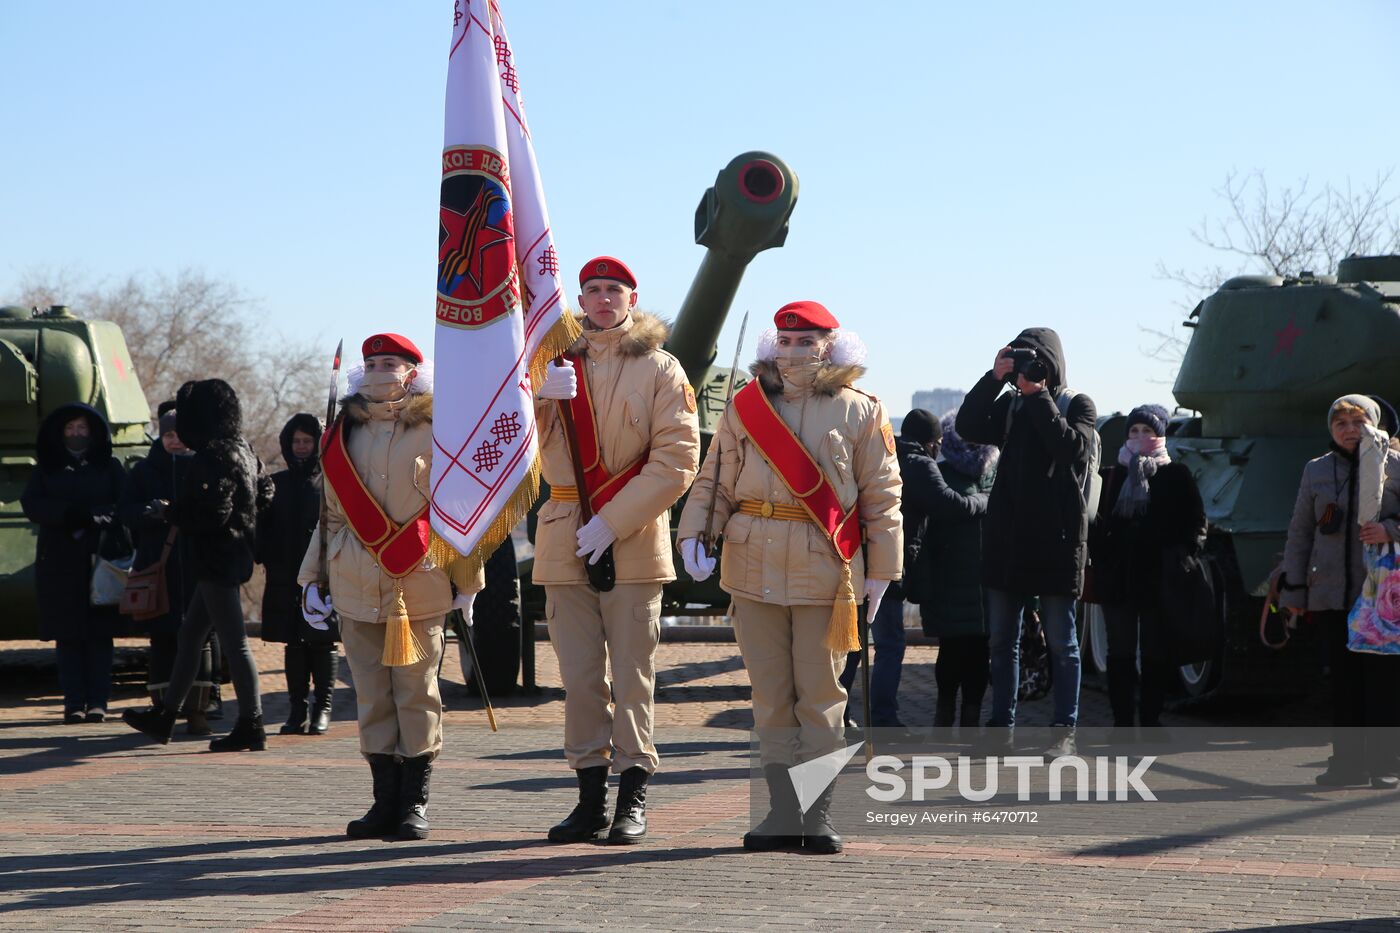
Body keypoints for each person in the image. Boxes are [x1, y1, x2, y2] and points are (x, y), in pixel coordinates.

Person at [678, 300, 902, 855]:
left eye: (806, 341)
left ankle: (818, 812)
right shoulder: (745, 407)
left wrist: (883, 570)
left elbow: (883, 495)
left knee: (822, 697)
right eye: (785, 339)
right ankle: (781, 813)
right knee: (771, 697)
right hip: (752, 564)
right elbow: (715, 480)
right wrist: (691, 533)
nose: (794, 349)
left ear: (830, 344)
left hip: (826, 571)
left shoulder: (860, 410)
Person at [533, 257, 700, 845]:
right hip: (561, 535)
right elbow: (513, 452)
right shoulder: (549, 363)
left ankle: (633, 799)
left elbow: (677, 460)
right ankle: (587, 801)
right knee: (579, 679)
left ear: (633, 298)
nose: (602, 299)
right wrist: (539, 401)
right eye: (593, 290)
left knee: (633, 678)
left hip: (631, 538)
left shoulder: (660, 368)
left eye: (614, 290)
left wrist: (612, 520)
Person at [297, 334, 484, 841]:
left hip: (419, 579)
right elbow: (331, 516)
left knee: (416, 694)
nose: (381, 371)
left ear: (412, 371)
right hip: (355, 579)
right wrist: (312, 578)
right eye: (373, 363)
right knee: (372, 696)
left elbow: (459, 513)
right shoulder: (343, 433)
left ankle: (414, 802)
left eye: (392, 363)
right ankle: (383, 801)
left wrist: (468, 584)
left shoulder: (440, 429)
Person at [956, 328, 1096, 758]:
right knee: (1002, 641)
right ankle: (1002, 732)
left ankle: (1062, 734)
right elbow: (968, 425)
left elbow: (1070, 449)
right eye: (1021, 361)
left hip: (1056, 539)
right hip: (1008, 538)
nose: (1029, 371)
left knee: (1062, 641)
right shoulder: (1010, 404)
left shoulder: (1077, 405)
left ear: (1052, 364)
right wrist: (993, 378)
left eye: (1036, 362)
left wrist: (1038, 396)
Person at [122, 379, 271, 751]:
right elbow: (266, 493)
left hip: (216, 558)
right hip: (231, 555)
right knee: (191, 635)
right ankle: (167, 715)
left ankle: (251, 723)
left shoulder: (212, 455)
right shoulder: (245, 450)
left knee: (234, 644)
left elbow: (213, 514)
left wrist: (172, 512)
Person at [838, 408, 983, 738]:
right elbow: (950, 505)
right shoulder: (919, 464)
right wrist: (984, 501)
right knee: (889, 645)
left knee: (855, 643)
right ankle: (884, 720)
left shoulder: (881, 455)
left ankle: (838, 714)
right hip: (888, 565)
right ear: (932, 442)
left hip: (858, 560)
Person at [1279, 395, 1400, 788]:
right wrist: (1293, 589)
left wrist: (1391, 529)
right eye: (1340, 424)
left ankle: (1385, 765)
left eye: (1357, 422)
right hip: (1331, 594)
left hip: (1381, 598)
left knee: (1382, 683)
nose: (1349, 431)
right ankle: (1346, 765)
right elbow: (1300, 532)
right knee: (1344, 683)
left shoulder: (1394, 465)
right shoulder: (1316, 470)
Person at [1088, 404, 1206, 736]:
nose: (1140, 438)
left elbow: (1196, 522)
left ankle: (1151, 721)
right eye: (1134, 431)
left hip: (1160, 577)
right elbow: (1096, 522)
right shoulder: (1112, 475)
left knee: (1156, 652)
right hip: (1119, 577)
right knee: (1121, 652)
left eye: (1148, 432)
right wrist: (1104, 554)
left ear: (1161, 435)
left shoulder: (1175, 475)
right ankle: (1122, 724)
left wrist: (1184, 556)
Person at [21, 403, 126, 724]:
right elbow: (32, 503)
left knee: (98, 636)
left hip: (100, 559)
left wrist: (100, 516)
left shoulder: (109, 467)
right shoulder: (47, 468)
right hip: (60, 560)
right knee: (67, 637)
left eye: (82, 429)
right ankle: (73, 703)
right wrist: (67, 514)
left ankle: (98, 702)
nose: (77, 434)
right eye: (70, 429)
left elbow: (124, 503)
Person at [119, 407, 210, 734]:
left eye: (179, 434)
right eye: (168, 434)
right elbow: (125, 511)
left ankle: (199, 711)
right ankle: (161, 709)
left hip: (197, 562)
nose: (174, 441)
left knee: (200, 640)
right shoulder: (144, 471)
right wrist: (149, 513)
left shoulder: (203, 466)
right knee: (162, 640)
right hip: (158, 567)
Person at [912, 409, 996, 733]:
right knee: (951, 652)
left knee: (979, 654)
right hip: (948, 578)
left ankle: (970, 720)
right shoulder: (940, 473)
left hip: (986, 580)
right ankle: (944, 715)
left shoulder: (993, 474)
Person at [258, 412, 335, 736]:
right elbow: (261, 527)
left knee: (322, 642)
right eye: (297, 441)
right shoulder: (277, 483)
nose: (302, 447)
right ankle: (296, 709)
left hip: (322, 575)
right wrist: (265, 556)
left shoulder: (331, 484)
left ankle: (323, 707)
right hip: (285, 574)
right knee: (293, 643)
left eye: (308, 441)